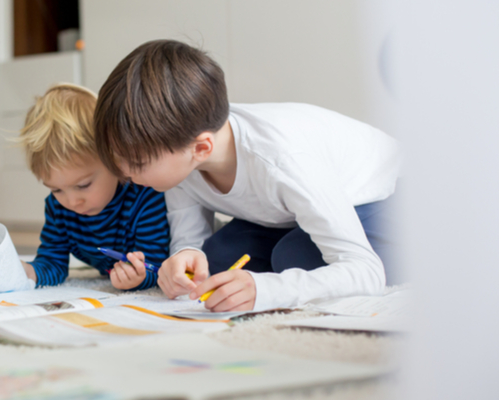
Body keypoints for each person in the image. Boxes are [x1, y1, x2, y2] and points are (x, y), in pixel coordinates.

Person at [93, 40, 401, 311]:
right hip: (288, 212)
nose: (124, 173)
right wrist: (183, 258)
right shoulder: (183, 147)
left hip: (388, 196)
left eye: (136, 163)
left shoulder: (282, 161)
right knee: (216, 259)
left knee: (293, 257)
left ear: (202, 148)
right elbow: (189, 236)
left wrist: (268, 291)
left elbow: (365, 271)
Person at [17, 83, 171, 290]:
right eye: (56, 189)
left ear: (114, 159)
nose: (72, 201)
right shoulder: (58, 208)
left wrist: (139, 277)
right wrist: (29, 273)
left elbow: (158, 266)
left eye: (83, 185)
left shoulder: (145, 198)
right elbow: (53, 263)